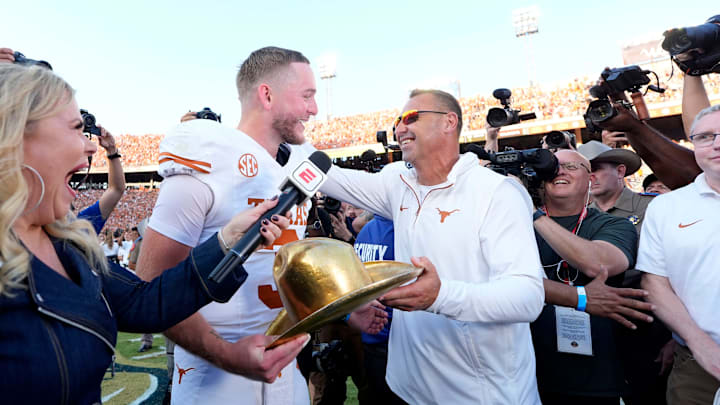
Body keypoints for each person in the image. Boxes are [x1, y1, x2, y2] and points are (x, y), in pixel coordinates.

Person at [0, 63, 307, 404]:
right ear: (15, 139)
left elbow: (144, 303)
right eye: (75, 129)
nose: (90, 149)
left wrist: (226, 242)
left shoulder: (66, 245)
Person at [136, 46, 385, 405]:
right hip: (215, 377)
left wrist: (344, 312)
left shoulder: (301, 163)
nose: (314, 109)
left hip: (287, 374)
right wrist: (224, 354)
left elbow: (283, 277)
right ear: (266, 94)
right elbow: (152, 288)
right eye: (307, 96)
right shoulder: (208, 157)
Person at [321, 89, 546, 404]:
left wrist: (440, 296)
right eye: (398, 121)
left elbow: (527, 297)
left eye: (411, 118)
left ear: (448, 122)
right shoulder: (397, 183)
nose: (400, 128)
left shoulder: (496, 192)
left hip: (482, 395)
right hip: (407, 390)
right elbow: (325, 176)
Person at [530, 149, 640, 404]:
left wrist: (535, 214)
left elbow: (598, 264)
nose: (559, 171)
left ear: (590, 180)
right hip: (529, 372)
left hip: (596, 376)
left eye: (571, 166)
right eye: (552, 166)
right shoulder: (513, 224)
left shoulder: (613, 224)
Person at [578, 140, 671, 404]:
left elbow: (677, 273)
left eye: (596, 168)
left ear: (620, 171)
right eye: (585, 169)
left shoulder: (653, 207)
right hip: (599, 334)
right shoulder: (579, 215)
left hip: (651, 330)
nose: (590, 175)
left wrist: (677, 339)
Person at [639, 104, 720, 404]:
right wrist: (701, 345)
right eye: (705, 137)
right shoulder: (665, 208)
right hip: (698, 366)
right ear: (694, 146)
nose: (717, 143)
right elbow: (654, 284)